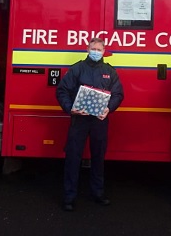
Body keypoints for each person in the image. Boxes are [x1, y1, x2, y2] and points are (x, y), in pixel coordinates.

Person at [56, 37, 124, 212]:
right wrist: (70, 108)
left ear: (103, 51)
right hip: (79, 120)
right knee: (73, 157)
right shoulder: (77, 69)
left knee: (98, 158)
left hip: (99, 121)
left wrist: (109, 108)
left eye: (99, 49)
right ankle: (69, 197)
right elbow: (62, 90)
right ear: (87, 49)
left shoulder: (110, 71)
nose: (96, 52)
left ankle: (98, 194)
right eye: (93, 48)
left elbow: (118, 94)